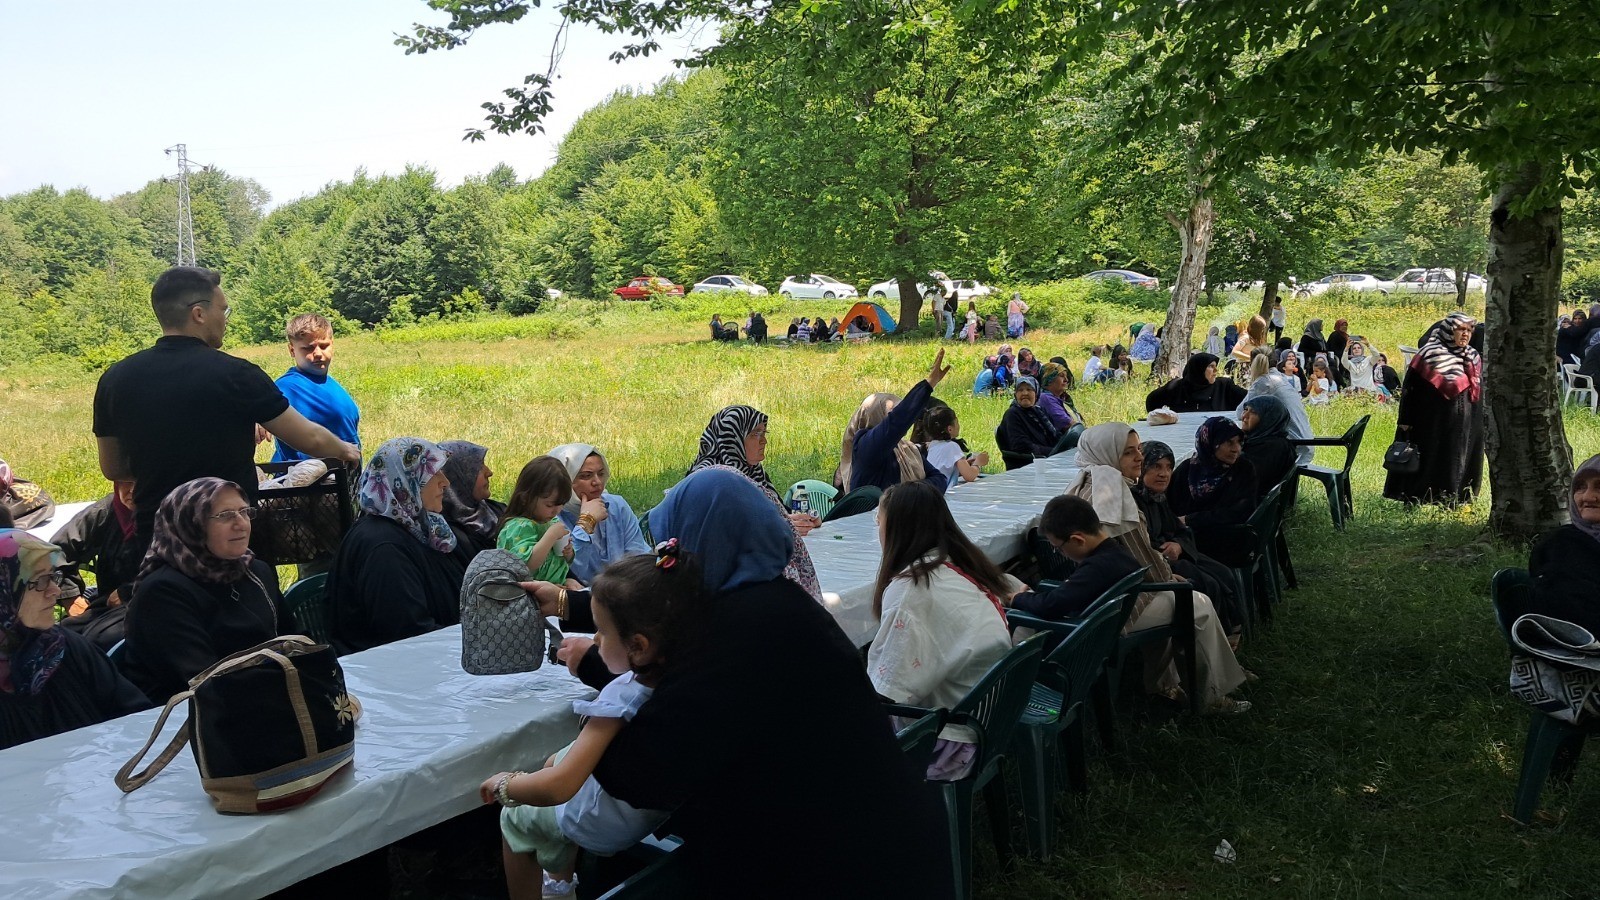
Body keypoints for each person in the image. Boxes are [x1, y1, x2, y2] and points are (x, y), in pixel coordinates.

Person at [586, 468, 954, 897]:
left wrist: (592, 722)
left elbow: (643, 773)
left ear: (700, 541)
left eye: (673, 546)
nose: (667, 565)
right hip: (887, 846)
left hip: (830, 869)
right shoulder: (778, 602)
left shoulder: (734, 634)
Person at [93, 267, 361, 549]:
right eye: (224, 310)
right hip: (231, 540)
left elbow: (113, 467)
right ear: (199, 314)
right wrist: (345, 450)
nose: (226, 320)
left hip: (157, 538)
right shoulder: (237, 374)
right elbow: (310, 438)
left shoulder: (115, 379)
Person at [482, 552, 687, 900]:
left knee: (515, 819)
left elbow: (559, 787)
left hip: (599, 821)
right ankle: (558, 880)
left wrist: (506, 785)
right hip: (650, 810)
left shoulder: (619, 700)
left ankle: (547, 890)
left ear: (638, 647)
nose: (595, 641)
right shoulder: (682, 681)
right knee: (551, 760)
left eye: (602, 632)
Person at [1060, 424, 1251, 711]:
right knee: (1197, 605)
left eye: (1138, 449)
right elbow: (1143, 561)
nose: (1139, 457)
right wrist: (1167, 575)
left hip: (1096, 594)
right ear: (1107, 454)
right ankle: (1211, 695)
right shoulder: (1113, 497)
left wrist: (1165, 573)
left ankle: (1165, 688)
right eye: (1128, 452)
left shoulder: (1087, 484)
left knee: (1176, 595)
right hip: (1112, 606)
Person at [869, 480, 1014, 780]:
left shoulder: (912, 590)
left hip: (950, 743)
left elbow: (887, 691)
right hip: (987, 720)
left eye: (878, 521)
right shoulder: (958, 565)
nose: (877, 529)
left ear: (896, 529)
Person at [120, 478, 298, 705]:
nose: (241, 524)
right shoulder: (163, 593)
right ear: (190, 524)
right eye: (225, 515)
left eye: (244, 512)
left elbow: (294, 639)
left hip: (262, 699)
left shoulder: (255, 571)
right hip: (191, 713)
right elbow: (202, 679)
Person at [0, 530, 149, 750]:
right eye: (41, 580)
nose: (55, 590)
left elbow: (138, 716)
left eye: (53, 576)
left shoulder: (62, 648)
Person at [328, 438, 467, 655]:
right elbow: (408, 634)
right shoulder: (384, 548)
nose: (445, 482)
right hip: (386, 666)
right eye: (433, 473)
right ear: (404, 480)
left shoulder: (418, 527)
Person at [687, 405, 822, 599]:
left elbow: (779, 512)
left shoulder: (754, 472)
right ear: (732, 439)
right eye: (755, 434)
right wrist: (780, 525)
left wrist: (804, 519)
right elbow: (723, 533)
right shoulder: (710, 479)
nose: (764, 440)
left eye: (764, 433)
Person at [1131, 443, 1244, 636]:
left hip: (1177, 554)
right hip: (1157, 563)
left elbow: (1180, 529)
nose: (1164, 474)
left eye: (1168, 467)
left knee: (1223, 573)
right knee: (1208, 584)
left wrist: (1178, 545)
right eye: (1156, 466)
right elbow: (1140, 546)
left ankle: (1232, 632)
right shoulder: (1133, 502)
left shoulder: (1158, 498)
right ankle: (1213, 639)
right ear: (1141, 467)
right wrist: (1167, 550)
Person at [1384, 313, 1485, 505]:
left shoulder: (1473, 356)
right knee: (1430, 461)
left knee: (1462, 462)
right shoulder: (1428, 354)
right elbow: (1410, 389)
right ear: (1448, 331)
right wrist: (1405, 420)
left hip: (1469, 425)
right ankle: (1417, 498)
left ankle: (1457, 500)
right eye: (1460, 329)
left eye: (1469, 330)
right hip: (1432, 423)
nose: (1465, 334)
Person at [834, 350, 952, 493]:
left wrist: (909, 491)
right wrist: (929, 384)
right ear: (875, 416)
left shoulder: (905, 449)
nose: (897, 419)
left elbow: (940, 479)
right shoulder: (865, 446)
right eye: (891, 414)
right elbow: (897, 422)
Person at [50, 479, 140, 651]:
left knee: (99, 640)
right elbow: (55, 551)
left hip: (153, 604)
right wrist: (70, 597)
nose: (132, 490)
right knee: (57, 637)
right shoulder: (108, 510)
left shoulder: (172, 512)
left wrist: (130, 591)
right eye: (125, 482)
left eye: (140, 482)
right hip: (106, 605)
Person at [546, 445, 652, 586]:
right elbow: (572, 572)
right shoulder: (552, 517)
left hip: (626, 589)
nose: (597, 482)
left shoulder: (616, 506)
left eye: (601, 474)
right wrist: (586, 522)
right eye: (586, 476)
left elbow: (638, 557)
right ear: (564, 482)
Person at [271, 313, 362, 464]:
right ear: (292, 350)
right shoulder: (288, 386)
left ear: (332, 344)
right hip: (308, 476)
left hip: (344, 474)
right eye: (308, 348)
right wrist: (257, 421)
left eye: (324, 346)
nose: (318, 353)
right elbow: (264, 406)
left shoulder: (330, 383)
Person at [1168, 417, 1260, 564]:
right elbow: (1170, 508)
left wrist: (1191, 520)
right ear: (1210, 443)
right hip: (1187, 536)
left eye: (1239, 442)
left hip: (1226, 539)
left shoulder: (1243, 469)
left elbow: (1241, 512)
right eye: (1229, 442)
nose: (1236, 449)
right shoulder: (1187, 470)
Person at [1528, 454, 1600, 633]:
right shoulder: (1563, 547)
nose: (1588, 497)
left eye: (1599, 487)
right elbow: (1575, 617)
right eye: (1580, 487)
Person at [497, 457, 579, 586]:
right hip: (526, 593)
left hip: (554, 587)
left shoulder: (549, 522)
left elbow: (557, 562)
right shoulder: (518, 527)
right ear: (525, 498)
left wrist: (568, 553)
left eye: (561, 504)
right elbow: (527, 565)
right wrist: (551, 536)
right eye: (549, 505)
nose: (556, 511)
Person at [1238, 350, 1315, 464]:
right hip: (1305, 444)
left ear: (1253, 365)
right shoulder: (1281, 378)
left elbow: (1239, 413)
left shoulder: (1264, 382)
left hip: (1291, 448)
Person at [437, 440, 506, 556]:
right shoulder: (447, 539)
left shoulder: (500, 511)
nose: (489, 472)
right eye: (479, 468)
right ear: (457, 478)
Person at [998, 376, 1076, 462]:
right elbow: (1021, 446)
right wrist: (1055, 452)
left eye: (1029, 389)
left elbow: (1054, 435)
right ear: (1015, 395)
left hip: (1050, 458)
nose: (1025, 393)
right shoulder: (1012, 415)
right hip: (1030, 462)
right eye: (1020, 390)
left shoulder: (1039, 411)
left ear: (1036, 394)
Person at [912, 405, 989, 487]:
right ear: (950, 429)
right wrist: (978, 463)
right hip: (943, 491)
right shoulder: (952, 446)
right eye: (957, 422)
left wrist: (963, 465)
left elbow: (944, 469)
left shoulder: (932, 446)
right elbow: (969, 476)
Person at [1144, 353, 1246, 412]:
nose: (1216, 371)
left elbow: (1249, 399)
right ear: (1198, 369)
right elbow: (1152, 401)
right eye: (1211, 367)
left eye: (1216, 367)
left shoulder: (1224, 386)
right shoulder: (1177, 387)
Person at [1239, 395, 1298, 497]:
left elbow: (1243, 480)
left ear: (1268, 418)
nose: (1244, 416)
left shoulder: (1270, 448)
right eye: (1245, 410)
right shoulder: (1264, 441)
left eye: (1254, 412)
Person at [1038, 362, 1079, 432]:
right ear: (1049, 379)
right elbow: (1067, 424)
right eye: (1061, 376)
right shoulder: (1046, 398)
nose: (1066, 380)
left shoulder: (1061, 397)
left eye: (1066, 376)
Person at [1326, 319, 1351, 389]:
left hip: (1346, 354)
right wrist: (1344, 354)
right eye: (1342, 325)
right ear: (1338, 326)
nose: (1344, 327)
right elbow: (1332, 348)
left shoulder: (1346, 335)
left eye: (1346, 325)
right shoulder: (1335, 335)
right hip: (1337, 355)